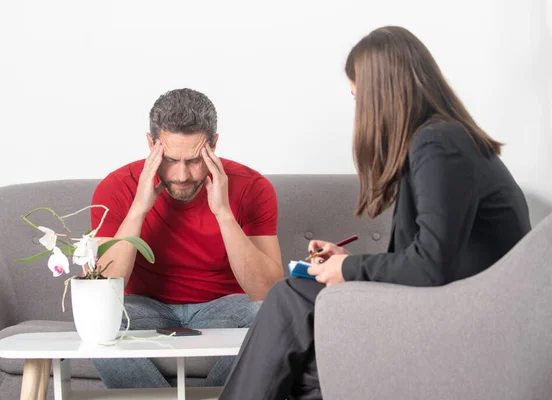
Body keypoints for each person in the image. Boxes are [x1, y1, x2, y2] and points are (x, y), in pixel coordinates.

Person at [218, 26, 531, 400]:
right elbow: (430, 259)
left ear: (380, 94)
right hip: (459, 306)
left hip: (467, 319)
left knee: (292, 295)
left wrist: (349, 271)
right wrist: (349, 262)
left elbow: (431, 267)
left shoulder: (439, 143)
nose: (359, 111)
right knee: (308, 370)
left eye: (357, 97)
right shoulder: (444, 139)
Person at [90, 88, 284, 388]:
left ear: (214, 144)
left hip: (225, 306)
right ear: (151, 144)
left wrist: (223, 212)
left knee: (274, 315)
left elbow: (268, 292)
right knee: (97, 318)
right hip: (145, 307)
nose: (181, 176)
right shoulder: (116, 187)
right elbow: (105, 288)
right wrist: (139, 208)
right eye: (169, 159)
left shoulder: (253, 187)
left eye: (194, 161)